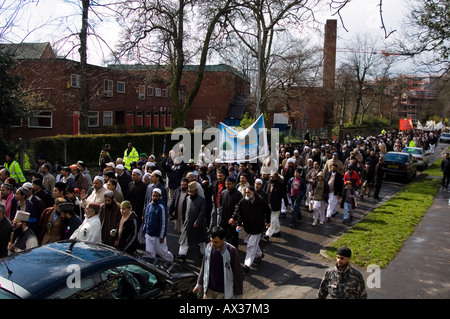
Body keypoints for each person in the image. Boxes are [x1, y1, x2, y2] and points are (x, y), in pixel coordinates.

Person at [193, 226, 244, 299]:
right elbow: (204, 267)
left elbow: (237, 275)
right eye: (211, 241)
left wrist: (238, 295)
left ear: (223, 240)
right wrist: (199, 284)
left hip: (224, 293)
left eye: (216, 242)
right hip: (209, 291)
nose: (213, 244)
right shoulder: (208, 248)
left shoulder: (231, 251)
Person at [233, 186, 271, 273]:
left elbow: (267, 210)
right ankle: (259, 254)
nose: (247, 194)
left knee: (251, 245)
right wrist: (238, 224)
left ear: (253, 192)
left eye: (248, 192)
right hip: (248, 227)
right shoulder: (243, 202)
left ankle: (247, 264)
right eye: (246, 192)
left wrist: (268, 221)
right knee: (251, 242)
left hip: (257, 227)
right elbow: (240, 214)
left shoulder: (260, 201)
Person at [177, 181, 207, 261]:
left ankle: (204, 253)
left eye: (192, 192)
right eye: (189, 192)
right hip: (188, 222)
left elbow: (202, 212)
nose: (190, 193)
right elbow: (185, 210)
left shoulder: (202, 200)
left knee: (201, 241)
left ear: (196, 191)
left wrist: (197, 222)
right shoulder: (187, 198)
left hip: (198, 224)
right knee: (184, 239)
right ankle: (182, 254)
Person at [143, 188, 173, 262]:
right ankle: (152, 266)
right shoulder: (149, 206)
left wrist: (161, 236)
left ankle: (170, 260)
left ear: (160, 197)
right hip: (149, 233)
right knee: (149, 252)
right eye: (153, 196)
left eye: (156, 196)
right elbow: (146, 219)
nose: (154, 197)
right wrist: (144, 229)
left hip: (158, 235)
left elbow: (163, 223)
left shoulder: (162, 207)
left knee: (162, 252)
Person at [218, 177, 242, 248]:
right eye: (226, 184)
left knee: (234, 236)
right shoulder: (223, 192)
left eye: (229, 184)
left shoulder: (238, 194)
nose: (227, 185)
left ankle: (235, 251)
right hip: (223, 218)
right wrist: (221, 210)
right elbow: (220, 204)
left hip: (233, 220)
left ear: (233, 184)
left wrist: (233, 217)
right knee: (222, 235)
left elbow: (238, 207)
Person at [264, 173, 290, 239]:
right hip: (268, 204)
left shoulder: (280, 185)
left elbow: (284, 195)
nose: (271, 178)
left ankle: (268, 234)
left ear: (276, 178)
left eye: (273, 177)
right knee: (275, 219)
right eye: (270, 177)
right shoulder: (267, 183)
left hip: (276, 205)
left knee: (272, 220)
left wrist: (287, 205)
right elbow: (264, 193)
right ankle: (277, 231)